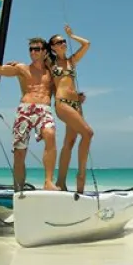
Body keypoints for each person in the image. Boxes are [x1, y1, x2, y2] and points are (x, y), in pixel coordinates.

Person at [0, 34, 56, 191]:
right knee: (19, 152)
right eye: (31, 49)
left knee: (50, 134)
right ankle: (19, 190)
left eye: (37, 49)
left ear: (45, 52)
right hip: (25, 110)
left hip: (44, 109)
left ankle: (48, 182)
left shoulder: (52, 71)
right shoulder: (22, 68)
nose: (33, 52)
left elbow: (62, 89)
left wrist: (75, 99)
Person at [48, 24, 93, 193]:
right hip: (63, 103)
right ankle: (81, 177)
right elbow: (34, 62)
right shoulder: (50, 63)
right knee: (88, 133)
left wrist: (72, 35)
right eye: (59, 42)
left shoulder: (71, 61)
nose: (62, 44)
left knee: (70, 142)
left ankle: (60, 182)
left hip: (76, 104)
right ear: (52, 47)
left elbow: (87, 44)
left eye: (63, 41)